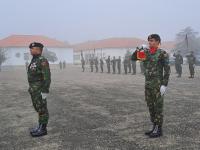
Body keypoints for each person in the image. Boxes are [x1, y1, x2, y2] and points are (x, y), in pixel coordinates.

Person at [132, 34, 170, 138]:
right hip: (148, 84)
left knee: (158, 107)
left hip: (157, 85)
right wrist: (139, 49)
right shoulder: (146, 53)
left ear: (158, 42)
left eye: (152, 41)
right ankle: (154, 126)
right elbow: (134, 58)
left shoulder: (162, 53)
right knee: (151, 106)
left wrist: (164, 84)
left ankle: (159, 128)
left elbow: (167, 70)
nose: (150, 43)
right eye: (149, 41)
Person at [27, 42, 51, 137]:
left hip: (40, 89)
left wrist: (45, 90)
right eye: (31, 49)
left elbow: (47, 77)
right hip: (34, 90)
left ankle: (43, 129)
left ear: (38, 50)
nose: (31, 50)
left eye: (33, 49)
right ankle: (40, 126)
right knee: (38, 108)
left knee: (42, 109)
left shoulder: (42, 60)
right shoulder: (34, 60)